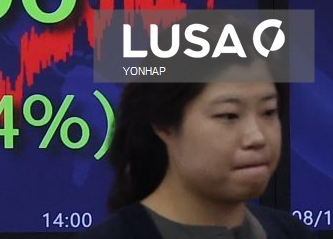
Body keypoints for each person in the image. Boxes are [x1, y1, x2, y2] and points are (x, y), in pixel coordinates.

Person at [80, 17, 315, 238]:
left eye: (268, 112)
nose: (257, 137)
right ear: (164, 124)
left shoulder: (291, 232)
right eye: (229, 116)